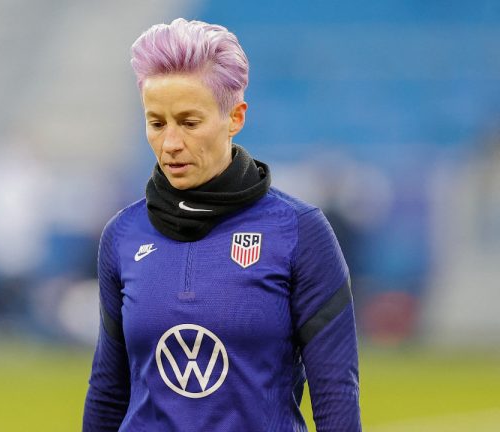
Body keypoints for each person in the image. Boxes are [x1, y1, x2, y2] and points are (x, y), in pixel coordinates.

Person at [82, 18, 361, 431]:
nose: (171, 143)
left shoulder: (299, 231)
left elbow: (336, 392)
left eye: (189, 122)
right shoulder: (122, 236)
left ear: (235, 117)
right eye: (156, 123)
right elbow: (108, 390)